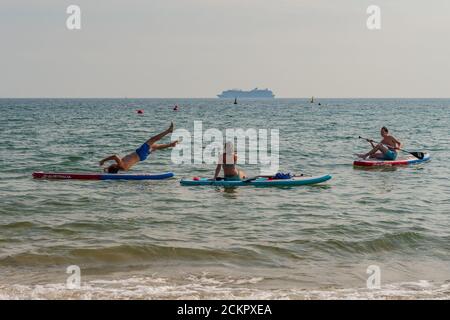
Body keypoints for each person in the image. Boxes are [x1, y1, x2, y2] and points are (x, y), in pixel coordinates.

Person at [99, 122, 178, 173]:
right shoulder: (120, 164)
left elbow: (112, 170)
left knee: (155, 146)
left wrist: (107, 170)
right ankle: (168, 131)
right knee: (153, 139)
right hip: (140, 153)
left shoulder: (123, 168)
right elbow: (114, 156)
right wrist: (103, 160)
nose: (111, 164)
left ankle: (171, 145)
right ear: (114, 166)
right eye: (111, 165)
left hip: (142, 157)